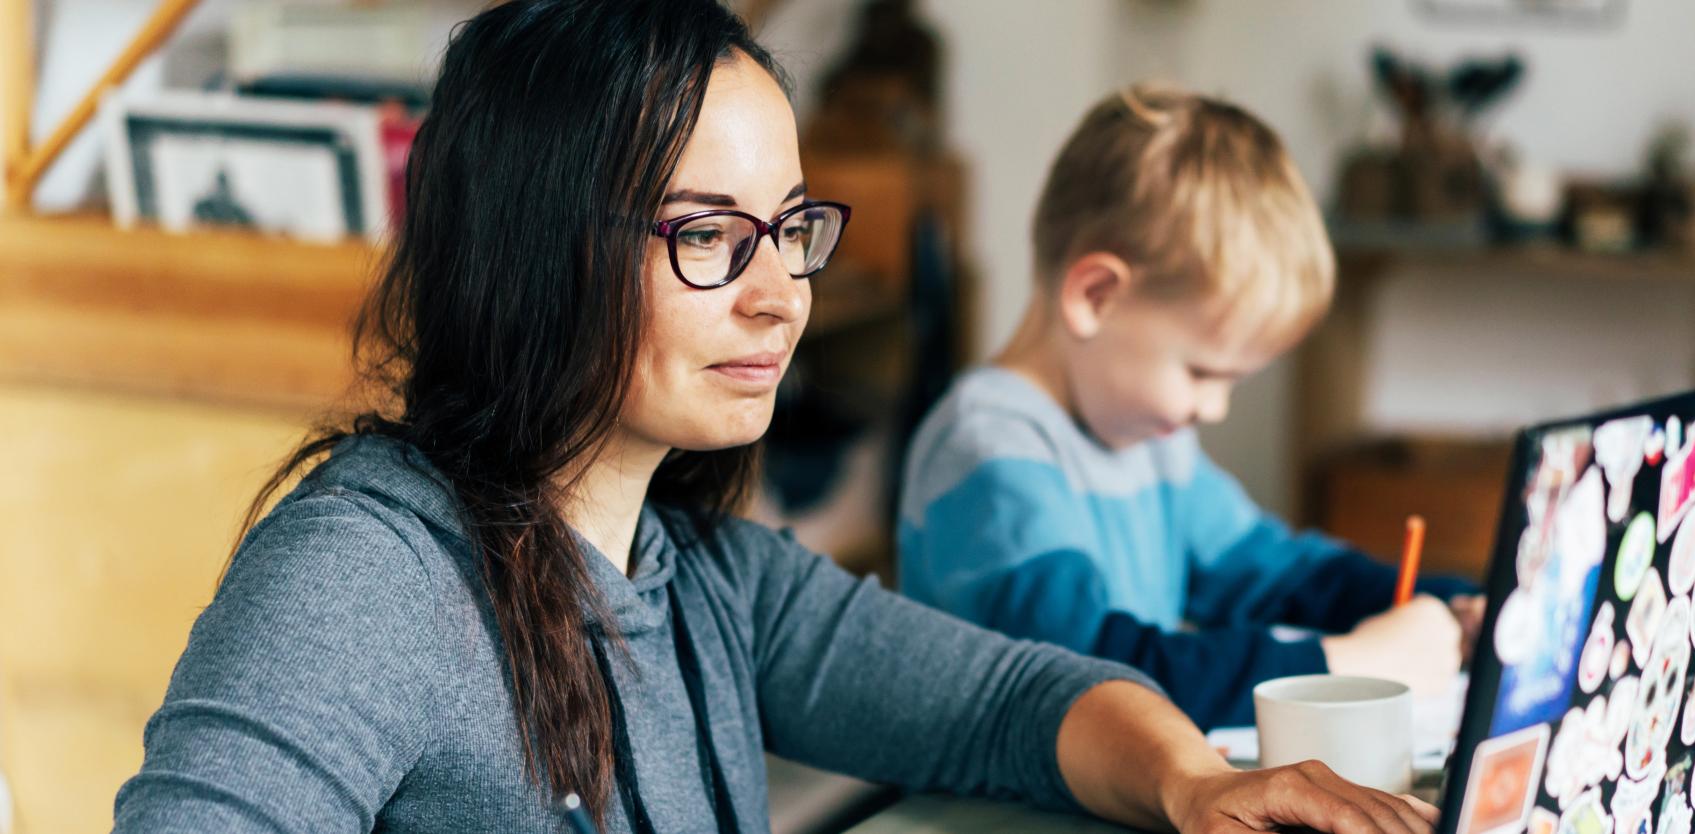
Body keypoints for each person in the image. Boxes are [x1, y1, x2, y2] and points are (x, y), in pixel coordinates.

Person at [112, 3, 1439, 832]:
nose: (780, 294)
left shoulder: (702, 578)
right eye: (707, 236)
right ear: (528, 251)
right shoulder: (364, 574)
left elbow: (1009, 697)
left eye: (791, 230)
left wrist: (1194, 784)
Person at [897, 85, 1484, 731]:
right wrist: (1342, 663)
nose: (1215, 408)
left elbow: (1278, 575)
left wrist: (1452, 604)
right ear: (1096, 296)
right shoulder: (989, 451)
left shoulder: (1149, 439)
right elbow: (1098, 676)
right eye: (1203, 371)